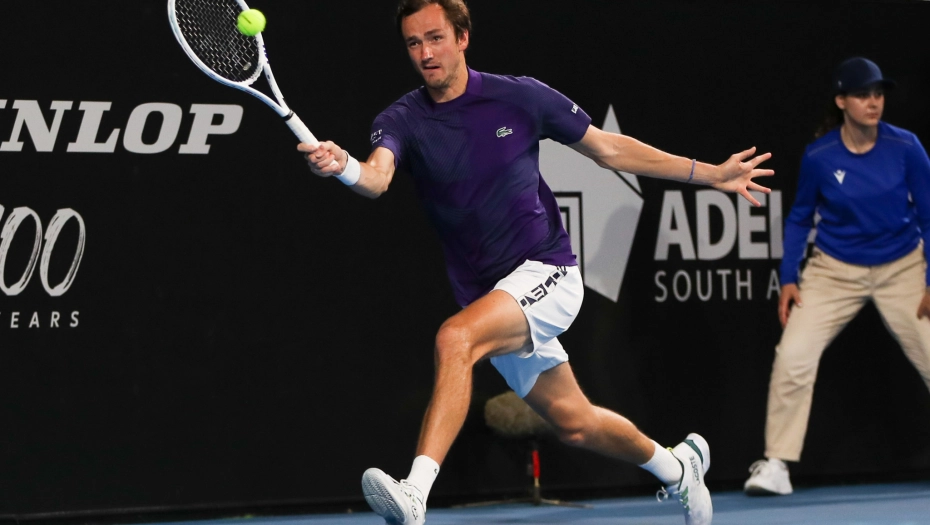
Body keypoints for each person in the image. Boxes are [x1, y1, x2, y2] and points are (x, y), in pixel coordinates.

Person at [301, 1, 773, 523]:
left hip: (547, 271)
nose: (425, 53)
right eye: (414, 43)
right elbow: (376, 177)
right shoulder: (401, 119)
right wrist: (344, 166)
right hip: (490, 296)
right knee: (576, 422)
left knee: (454, 338)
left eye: (435, 38)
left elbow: (609, 150)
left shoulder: (519, 96)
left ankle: (415, 493)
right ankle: (679, 467)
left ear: (462, 37)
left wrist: (711, 174)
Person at [744, 57, 930, 496]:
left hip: (903, 265)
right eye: (863, 95)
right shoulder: (820, 156)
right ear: (842, 101)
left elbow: (929, 215)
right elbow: (799, 217)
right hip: (834, 270)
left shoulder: (907, 147)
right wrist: (790, 278)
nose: (874, 102)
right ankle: (776, 465)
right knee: (793, 356)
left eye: (878, 94)